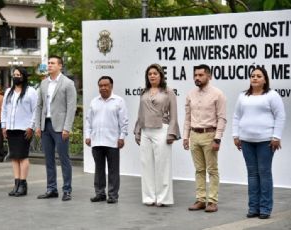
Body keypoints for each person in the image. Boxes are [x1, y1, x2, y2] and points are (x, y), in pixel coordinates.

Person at [232, 67, 285, 219]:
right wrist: (236, 135)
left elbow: (280, 116)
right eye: (252, 76)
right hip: (246, 141)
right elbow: (236, 116)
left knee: (264, 173)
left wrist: (276, 137)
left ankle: (265, 208)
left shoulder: (272, 95)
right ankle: (253, 207)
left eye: (258, 76)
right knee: (252, 175)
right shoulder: (243, 96)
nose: (254, 78)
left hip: (266, 142)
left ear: (265, 79)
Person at [134, 64, 180, 207]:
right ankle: (149, 197)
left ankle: (163, 198)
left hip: (162, 130)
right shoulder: (144, 92)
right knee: (146, 165)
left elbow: (174, 115)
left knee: (163, 166)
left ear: (161, 75)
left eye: (155, 73)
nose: (152, 76)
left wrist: (172, 132)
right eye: (149, 74)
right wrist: (137, 131)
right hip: (145, 130)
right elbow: (140, 113)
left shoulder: (168, 92)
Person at [183, 64, 226, 213]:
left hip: (210, 135)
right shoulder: (190, 94)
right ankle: (200, 200)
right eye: (195, 75)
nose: (197, 78)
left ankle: (212, 201)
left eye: (201, 75)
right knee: (199, 170)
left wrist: (217, 138)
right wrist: (185, 137)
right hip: (194, 135)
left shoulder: (218, 94)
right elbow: (187, 118)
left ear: (209, 76)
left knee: (212, 170)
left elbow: (222, 118)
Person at [35, 55, 77, 201]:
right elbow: (39, 105)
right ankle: (51, 188)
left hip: (60, 127)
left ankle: (67, 190)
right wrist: (38, 125)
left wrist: (67, 128)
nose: (50, 65)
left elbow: (71, 108)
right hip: (45, 125)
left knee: (64, 159)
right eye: (49, 63)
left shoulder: (68, 83)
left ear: (60, 66)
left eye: (52, 63)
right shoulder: (44, 83)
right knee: (49, 159)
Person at [85, 76, 128, 204]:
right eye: (101, 86)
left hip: (112, 141)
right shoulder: (94, 102)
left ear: (111, 86)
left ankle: (113, 195)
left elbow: (124, 122)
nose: (103, 88)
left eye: (106, 85)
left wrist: (122, 137)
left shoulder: (119, 101)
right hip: (96, 141)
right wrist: (88, 136)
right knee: (99, 169)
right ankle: (100, 193)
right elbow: (88, 121)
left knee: (113, 170)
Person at [1, 67, 38, 197]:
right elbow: (4, 109)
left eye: (18, 74)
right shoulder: (8, 92)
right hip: (11, 128)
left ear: (24, 76)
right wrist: (3, 126)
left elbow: (35, 110)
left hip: (24, 129)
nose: (16, 77)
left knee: (22, 156)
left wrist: (31, 127)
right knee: (14, 157)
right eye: (14, 75)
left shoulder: (31, 91)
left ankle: (23, 184)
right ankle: (16, 183)